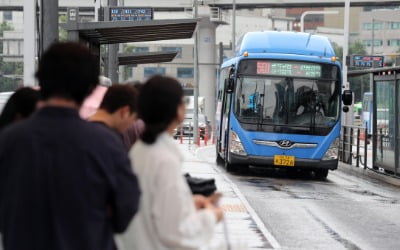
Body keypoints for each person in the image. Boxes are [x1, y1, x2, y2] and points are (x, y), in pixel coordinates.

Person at [0, 42, 140, 250]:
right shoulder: (105, 143)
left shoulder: (9, 140)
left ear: (41, 79)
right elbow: (126, 211)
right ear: (91, 87)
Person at [119, 75, 223, 250]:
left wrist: (188, 203)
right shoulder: (164, 159)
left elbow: (155, 205)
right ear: (178, 110)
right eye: (182, 101)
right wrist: (212, 216)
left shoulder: (141, 150)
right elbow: (175, 233)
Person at [89, 84, 139, 150]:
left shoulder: (79, 129)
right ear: (125, 112)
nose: (131, 124)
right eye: (134, 118)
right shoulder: (110, 141)